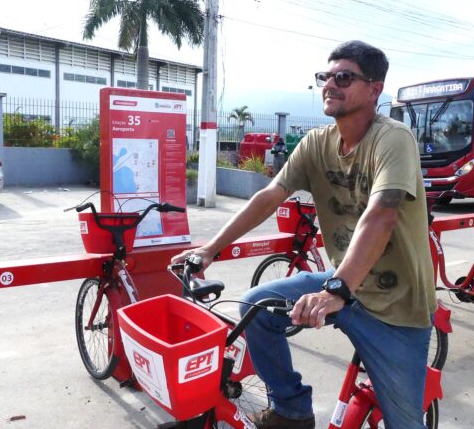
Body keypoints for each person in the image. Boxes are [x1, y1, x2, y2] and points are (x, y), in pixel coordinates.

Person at [172, 40, 436, 429]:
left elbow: (381, 215)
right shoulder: (316, 143)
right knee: (256, 306)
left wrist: (337, 290)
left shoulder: (392, 139)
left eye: (344, 77)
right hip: (343, 288)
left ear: (375, 88)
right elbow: (269, 196)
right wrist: (212, 248)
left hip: (397, 310)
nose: (330, 84)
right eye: (325, 77)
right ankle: (291, 409)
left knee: (406, 424)